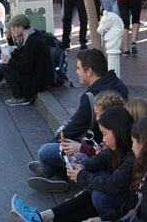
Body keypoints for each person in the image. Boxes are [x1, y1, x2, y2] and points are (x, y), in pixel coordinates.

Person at [28, 49, 128, 193]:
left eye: (79, 68)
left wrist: (56, 145)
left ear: (90, 71)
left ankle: (53, 174)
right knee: (60, 134)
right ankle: (50, 169)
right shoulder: (118, 84)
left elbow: (73, 129)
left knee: (45, 151)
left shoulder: (92, 98)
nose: (76, 72)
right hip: (101, 149)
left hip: (95, 149)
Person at [12, 106, 136, 222]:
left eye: (105, 134)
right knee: (94, 189)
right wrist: (84, 167)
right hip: (119, 198)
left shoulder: (133, 155)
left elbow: (114, 185)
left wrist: (82, 175)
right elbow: (102, 159)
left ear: (118, 131)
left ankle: (43, 217)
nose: (103, 139)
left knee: (98, 193)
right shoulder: (120, 147)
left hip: (124, 206)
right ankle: (43, 217)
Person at [0, 14, 54, 105]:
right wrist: (13, 54)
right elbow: (25, 57)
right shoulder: (32, 36)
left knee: (5, 66)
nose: (12, 30)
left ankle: (20, 97)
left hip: (38, 81)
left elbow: (27, 67)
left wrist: (10, 60)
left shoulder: (31, 41)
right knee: (4, 61)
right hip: (39, 76)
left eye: (13, 28)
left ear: (20, 27)